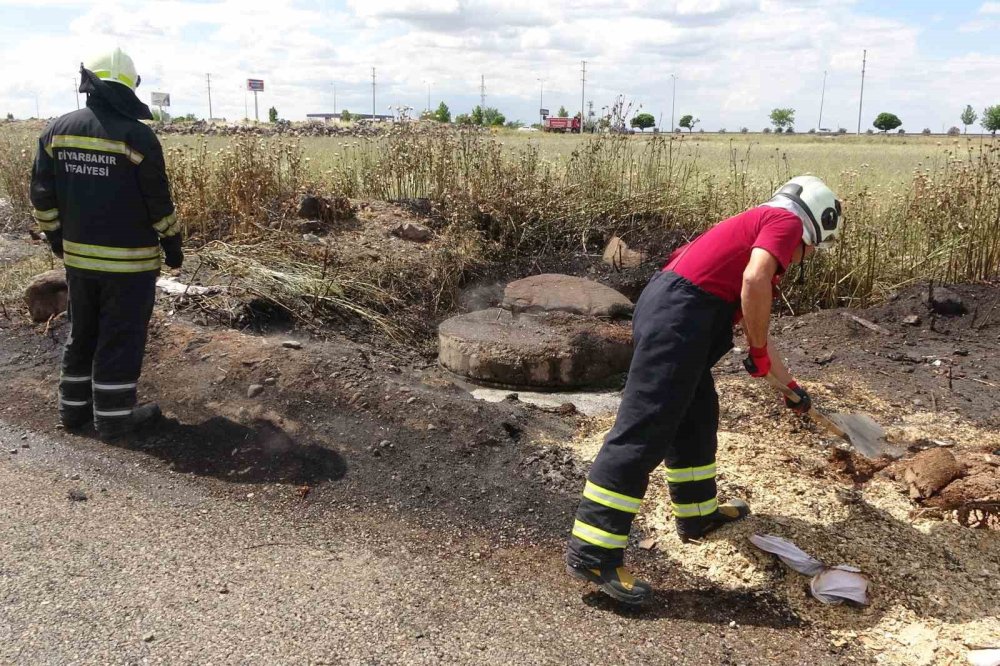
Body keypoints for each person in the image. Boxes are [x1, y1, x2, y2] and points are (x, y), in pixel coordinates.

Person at [565, 176, 842, 604]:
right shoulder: (784, 223)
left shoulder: (758, 219)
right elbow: (755, 282)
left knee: (696, 417)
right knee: (643, 431)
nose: (801, 258)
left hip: (677, 312)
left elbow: (750, 312)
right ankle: (594, 551)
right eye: (809, 252)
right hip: (680, 319)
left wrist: (788, 386)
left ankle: (697, 515)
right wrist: (758, 349)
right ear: (812, 228)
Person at [29, 48, 182, 441]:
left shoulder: (56, 131)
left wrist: (57, 239)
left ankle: (72, 411)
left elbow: (41, 196)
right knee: (120, 335)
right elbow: (157, 201)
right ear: (129, 88)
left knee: (83, 331)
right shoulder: (137, 136)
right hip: (130, 265)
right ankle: (114, 418)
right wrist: (172, 242)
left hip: (79, 260)